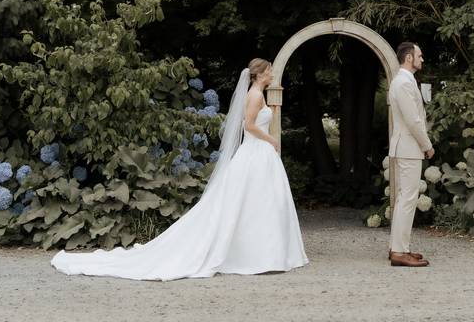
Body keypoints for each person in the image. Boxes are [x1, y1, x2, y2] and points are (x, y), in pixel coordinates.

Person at [51, 58, 309, 280]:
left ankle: (266, 253)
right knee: (251, 202)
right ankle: (255, 256)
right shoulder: (254, 95)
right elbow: (249, 126)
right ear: (259, 73)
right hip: (255, 151)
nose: (272, 73)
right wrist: (271, 139)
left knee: (262, 203)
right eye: (269, 70)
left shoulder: (259, 94)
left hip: (260, 155)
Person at [386, 41, 434, 267]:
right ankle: (398, 251)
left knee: (405, 198)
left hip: (406, 147)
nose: (422, 59)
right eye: (420, 55)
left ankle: (401, 247)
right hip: (408, 147)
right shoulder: (403, 83)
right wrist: (427, 145)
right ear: (408, 58)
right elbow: (413, 120)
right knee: (407, 199)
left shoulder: (405, 81)